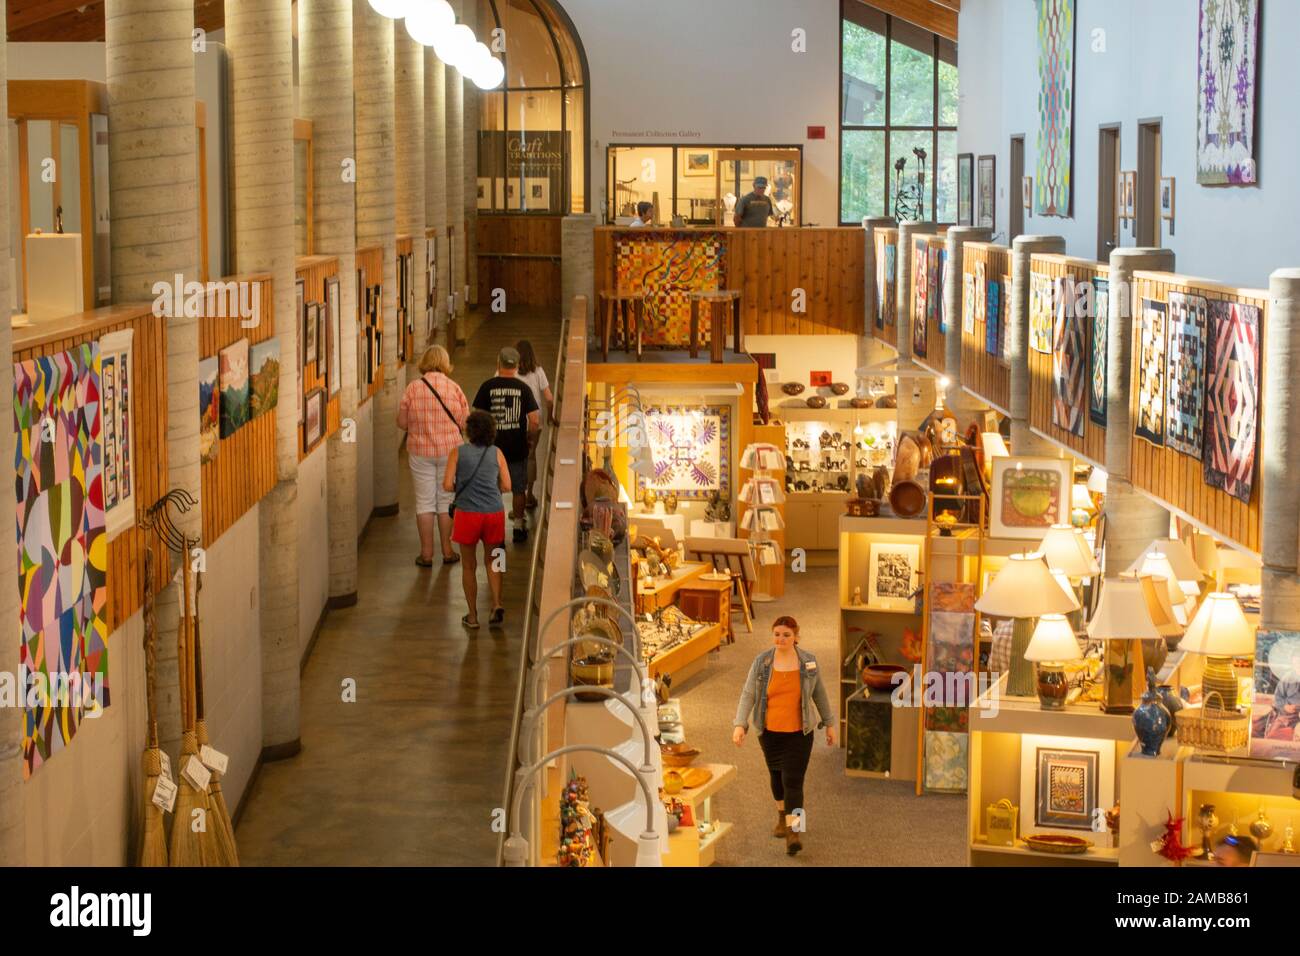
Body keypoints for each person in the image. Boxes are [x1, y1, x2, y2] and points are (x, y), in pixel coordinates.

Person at [732, 615, 835, 856]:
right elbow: (748, 694)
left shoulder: (808, 662)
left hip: (800, 733)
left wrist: (829, 724)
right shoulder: (762, 662)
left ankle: (794, 832)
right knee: (776, 776)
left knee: (793, 782)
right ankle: (782, 815)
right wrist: (740, 724)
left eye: (786, 635)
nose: (781, 639)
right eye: (777, 634)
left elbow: (819, 694)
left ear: (796, 637)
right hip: (768, 733)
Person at [397, 344, 469, 567]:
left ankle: (426, 554)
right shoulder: (453, 387)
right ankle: (448, 551)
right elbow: (466, 422)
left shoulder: (412, 388)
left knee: (424, 502)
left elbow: (401, 422)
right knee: (446, 500)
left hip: (420, 452)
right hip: (450, 453)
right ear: (445, 363)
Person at [443, 410, 511, 630]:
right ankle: (497, 603)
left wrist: (463, 487)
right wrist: (494, 487)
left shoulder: (457, 453)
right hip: (494, 514)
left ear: (469, 431)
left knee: (468, 566)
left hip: (467, 514)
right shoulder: (497, 453)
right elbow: (508, 486)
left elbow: (446, 485)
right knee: (495, 560)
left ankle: (472, 616)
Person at [473, 347, 540, 543]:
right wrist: (529, 438)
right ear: (517, 366)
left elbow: (478, 416)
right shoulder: (524, 389)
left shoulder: (487, 386)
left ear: (498, 363)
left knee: (494, 489)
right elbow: (534, 419)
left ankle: (496, 529)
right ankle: (518, 525)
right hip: (517, 447)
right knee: (519, 488)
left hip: (492, 449)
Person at [515, 339, 556, 512]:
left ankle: (519, 497)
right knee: (530, 457)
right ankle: (530, 495)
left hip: (515, 421)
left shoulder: (511, 371)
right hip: (534, 421)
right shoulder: (538, 371)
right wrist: (549, 417)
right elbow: (549, 398)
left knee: (517, 459)